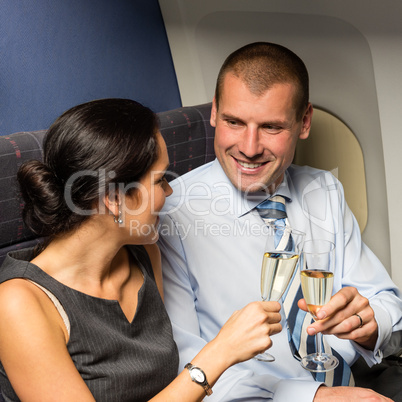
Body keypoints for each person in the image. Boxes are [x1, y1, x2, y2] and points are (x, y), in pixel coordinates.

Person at [158, 42, 402, 401]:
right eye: (234, 122)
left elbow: (387, 305)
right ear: (214, 113)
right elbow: (188, 365)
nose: (250, 147)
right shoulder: (171, 213)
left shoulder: (323, 189)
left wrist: (367, 324)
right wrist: (313, 397)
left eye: (271, 127)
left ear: (304, 122)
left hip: (358, 380)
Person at [0, 98, 283, 401]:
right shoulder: (19, 304)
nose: (169, 191)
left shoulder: (144, 255)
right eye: (160, 180)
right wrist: (220, 353)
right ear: (114, 198)